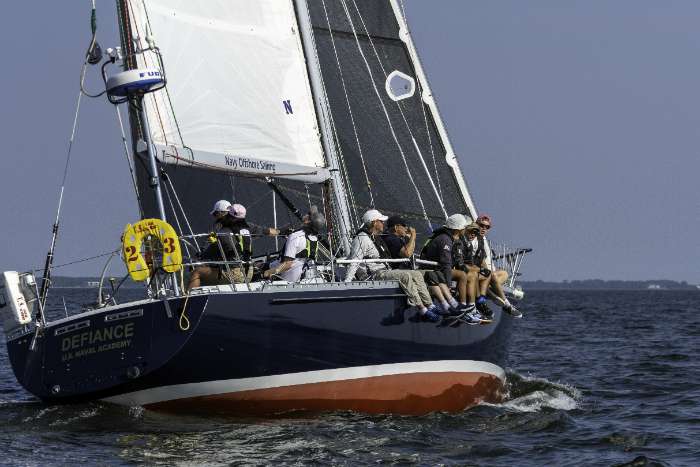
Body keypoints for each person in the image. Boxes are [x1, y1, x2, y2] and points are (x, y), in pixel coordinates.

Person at [345, 209, 442, 322]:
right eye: (381, 221)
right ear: (374, 222)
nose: (383, 224)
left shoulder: (375, 237)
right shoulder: (362, 239)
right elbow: (354, 261)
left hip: (384, 271)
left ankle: (430, 305)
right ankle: (422, 310)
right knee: (405, 276)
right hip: (374, 274)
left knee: (416, 274)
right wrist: (347, 282)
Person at [384, 215, 462, 315]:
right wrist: (413, 236)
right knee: (430, 276)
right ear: (396, 227)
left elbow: (409, 251)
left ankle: (451, 304)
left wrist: (409, 238)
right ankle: (441, 306)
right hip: (400, 270)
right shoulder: (391, 239)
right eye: (404, 226)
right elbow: (407, 253)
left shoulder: (399, 238)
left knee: (435, 274)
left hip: (409, 269)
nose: (406, 228)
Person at [421, 214, 484, 325]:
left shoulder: (451, 238)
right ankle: (462, 307)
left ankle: (465, 307)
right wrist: (448, 284)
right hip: (433, 269)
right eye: (463, 227)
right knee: (462, 275)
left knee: (468, 274)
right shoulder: (445, 239)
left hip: (438, 269)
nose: (465, 229)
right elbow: (446, 263)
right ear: (457, 229)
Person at [263, 205, 325, 282]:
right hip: (301, 275)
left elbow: (287, 264)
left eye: (308, 214)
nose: (305, 214)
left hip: (286, 278)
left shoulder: (295, 236)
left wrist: (268, 272)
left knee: (259, 268)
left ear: (307, 221)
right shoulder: (314, 238)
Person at [476, 214, 522, 318]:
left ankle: (491, 291)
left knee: (504, 273)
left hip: (485, 273)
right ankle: (506, 304)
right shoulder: (474, 239)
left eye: (487, 227)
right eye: (481, 225)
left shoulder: (482, 240)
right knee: (492, 276)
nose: (484, 228)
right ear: (476, 225)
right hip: (476, 272)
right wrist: (488, 272)